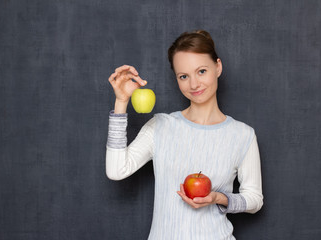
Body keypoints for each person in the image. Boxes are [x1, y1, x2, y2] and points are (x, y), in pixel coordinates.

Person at [106, 30, 263, 240]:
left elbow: (254, 200)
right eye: (183, 76)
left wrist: (218, 198)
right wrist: (121, 102)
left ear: (218, 67)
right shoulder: (160, 126)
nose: (194, 84)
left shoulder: (243, 135)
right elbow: (117, 170)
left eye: (201, 71)